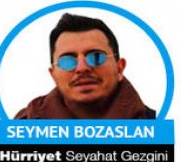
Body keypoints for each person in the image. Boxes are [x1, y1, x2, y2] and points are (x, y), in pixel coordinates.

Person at [15, 13, 155, 119]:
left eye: (96, 57)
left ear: (119, 68)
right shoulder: (18, 131)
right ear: (53, 75)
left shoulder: (159, 127)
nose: (82, 68)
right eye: (67, 61)